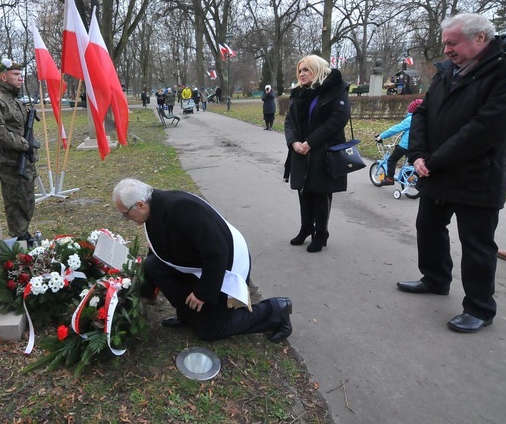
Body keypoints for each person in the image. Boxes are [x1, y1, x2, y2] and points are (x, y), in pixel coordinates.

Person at [397, 13, 506, 334]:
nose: (446, 49)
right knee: (428, 226)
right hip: (436, 169)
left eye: (452, 42)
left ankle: (480, 308)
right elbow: (421, 111)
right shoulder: (447, 71)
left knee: (476, 244)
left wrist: (433, 161)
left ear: (480, 39)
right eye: (445, 43)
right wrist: (418, 155)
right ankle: (435, 278)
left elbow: (485, 129)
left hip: (480, 175)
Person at [112, 178, 293, 342]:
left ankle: (275, 310)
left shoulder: (182, 208)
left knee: (211, 330)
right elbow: (157, 249)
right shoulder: (153, 211)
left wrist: (203, 293)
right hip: (195, 265)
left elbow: (217, 252)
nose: (126, 219)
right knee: (153, 266)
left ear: (140, 204)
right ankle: (188, 315)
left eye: (125, 214)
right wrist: (147, 292)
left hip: (226, 265)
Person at [283, 55, 350, 253]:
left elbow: (338, 119)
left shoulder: (335, 89)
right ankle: (306, 228)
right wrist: (294, 142)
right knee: (303, 191)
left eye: (307, 69)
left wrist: (310, 143)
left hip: (323, 150)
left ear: (318, 69)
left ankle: (321, 233)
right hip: (300, 151)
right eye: (300, 70)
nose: (302, 74)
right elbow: (289, 121)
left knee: (320, 193)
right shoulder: (298, 93)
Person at [0, 60, 39, 245]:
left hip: (24, 159)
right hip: (11, 161)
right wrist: (24, 145)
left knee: (27, 201)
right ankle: (19, 237)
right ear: (3, 76)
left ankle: (24, 234)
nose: (20, 78)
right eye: (15, 74)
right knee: (16, 203)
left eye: (20, 74)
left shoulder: (13, 99)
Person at [374, 98, 423, 186]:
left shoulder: (411, 119)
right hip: (418, 146)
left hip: (406, 145)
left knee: (392, 160)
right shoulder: (425, 119)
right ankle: (410, 178)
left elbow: (395, 129)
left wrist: (381, 136)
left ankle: (389, 179)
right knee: (412, 163)